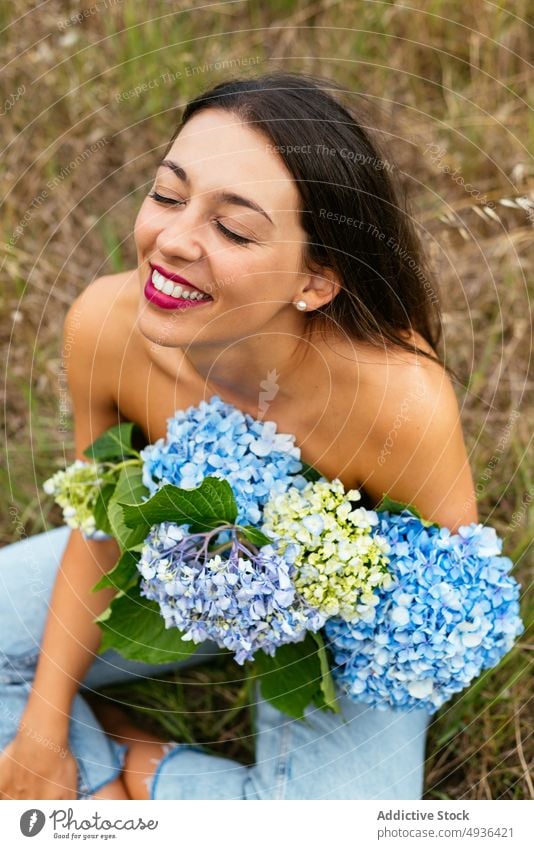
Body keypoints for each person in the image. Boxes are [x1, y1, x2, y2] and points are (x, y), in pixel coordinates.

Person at [0, 72, 477, 800]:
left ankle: (149, 769)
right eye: (167, 194)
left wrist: (329, 592)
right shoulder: (102, 326)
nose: (173, 240)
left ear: (315, 281)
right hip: (185, 570)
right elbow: (98, 528)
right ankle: (95, 786)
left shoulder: (399, 401)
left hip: (336, 617)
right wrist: (42, 728)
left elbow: (449, 591)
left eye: (233, 228)